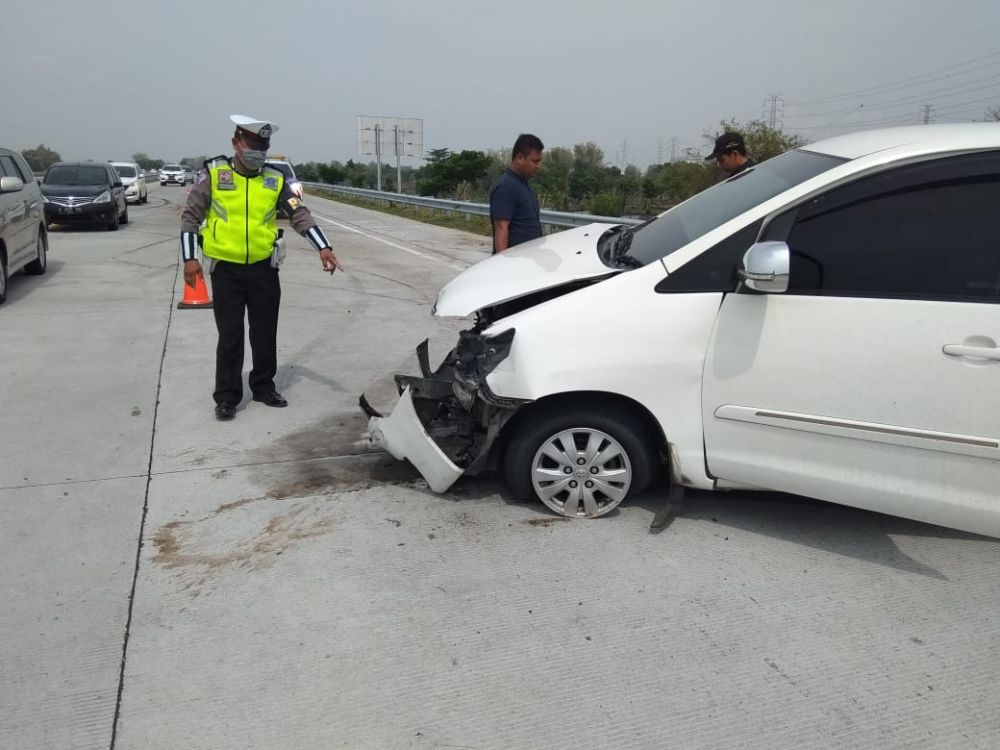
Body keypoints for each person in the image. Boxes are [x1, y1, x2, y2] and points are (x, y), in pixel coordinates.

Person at [179, 114, 343, 420]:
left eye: (263, 147)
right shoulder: (214, 175)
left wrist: (324, 247)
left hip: (264, 269)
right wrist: (191, 259)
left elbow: (299, 214)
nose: (258, 152)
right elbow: (190, 217)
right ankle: (227, 396)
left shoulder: (275, 180)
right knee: (230, 335)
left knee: (265, 331)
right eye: (252, 145)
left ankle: (264, 386)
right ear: (235, 143)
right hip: (225, 269)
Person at [489, 133, 544, 253]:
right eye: (534, 161)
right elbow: (501, 229)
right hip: (514, 264)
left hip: (528, 261)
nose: (537, 166)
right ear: (520, 158)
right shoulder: (506, 187)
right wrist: (503, 264)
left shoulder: (525, 187)